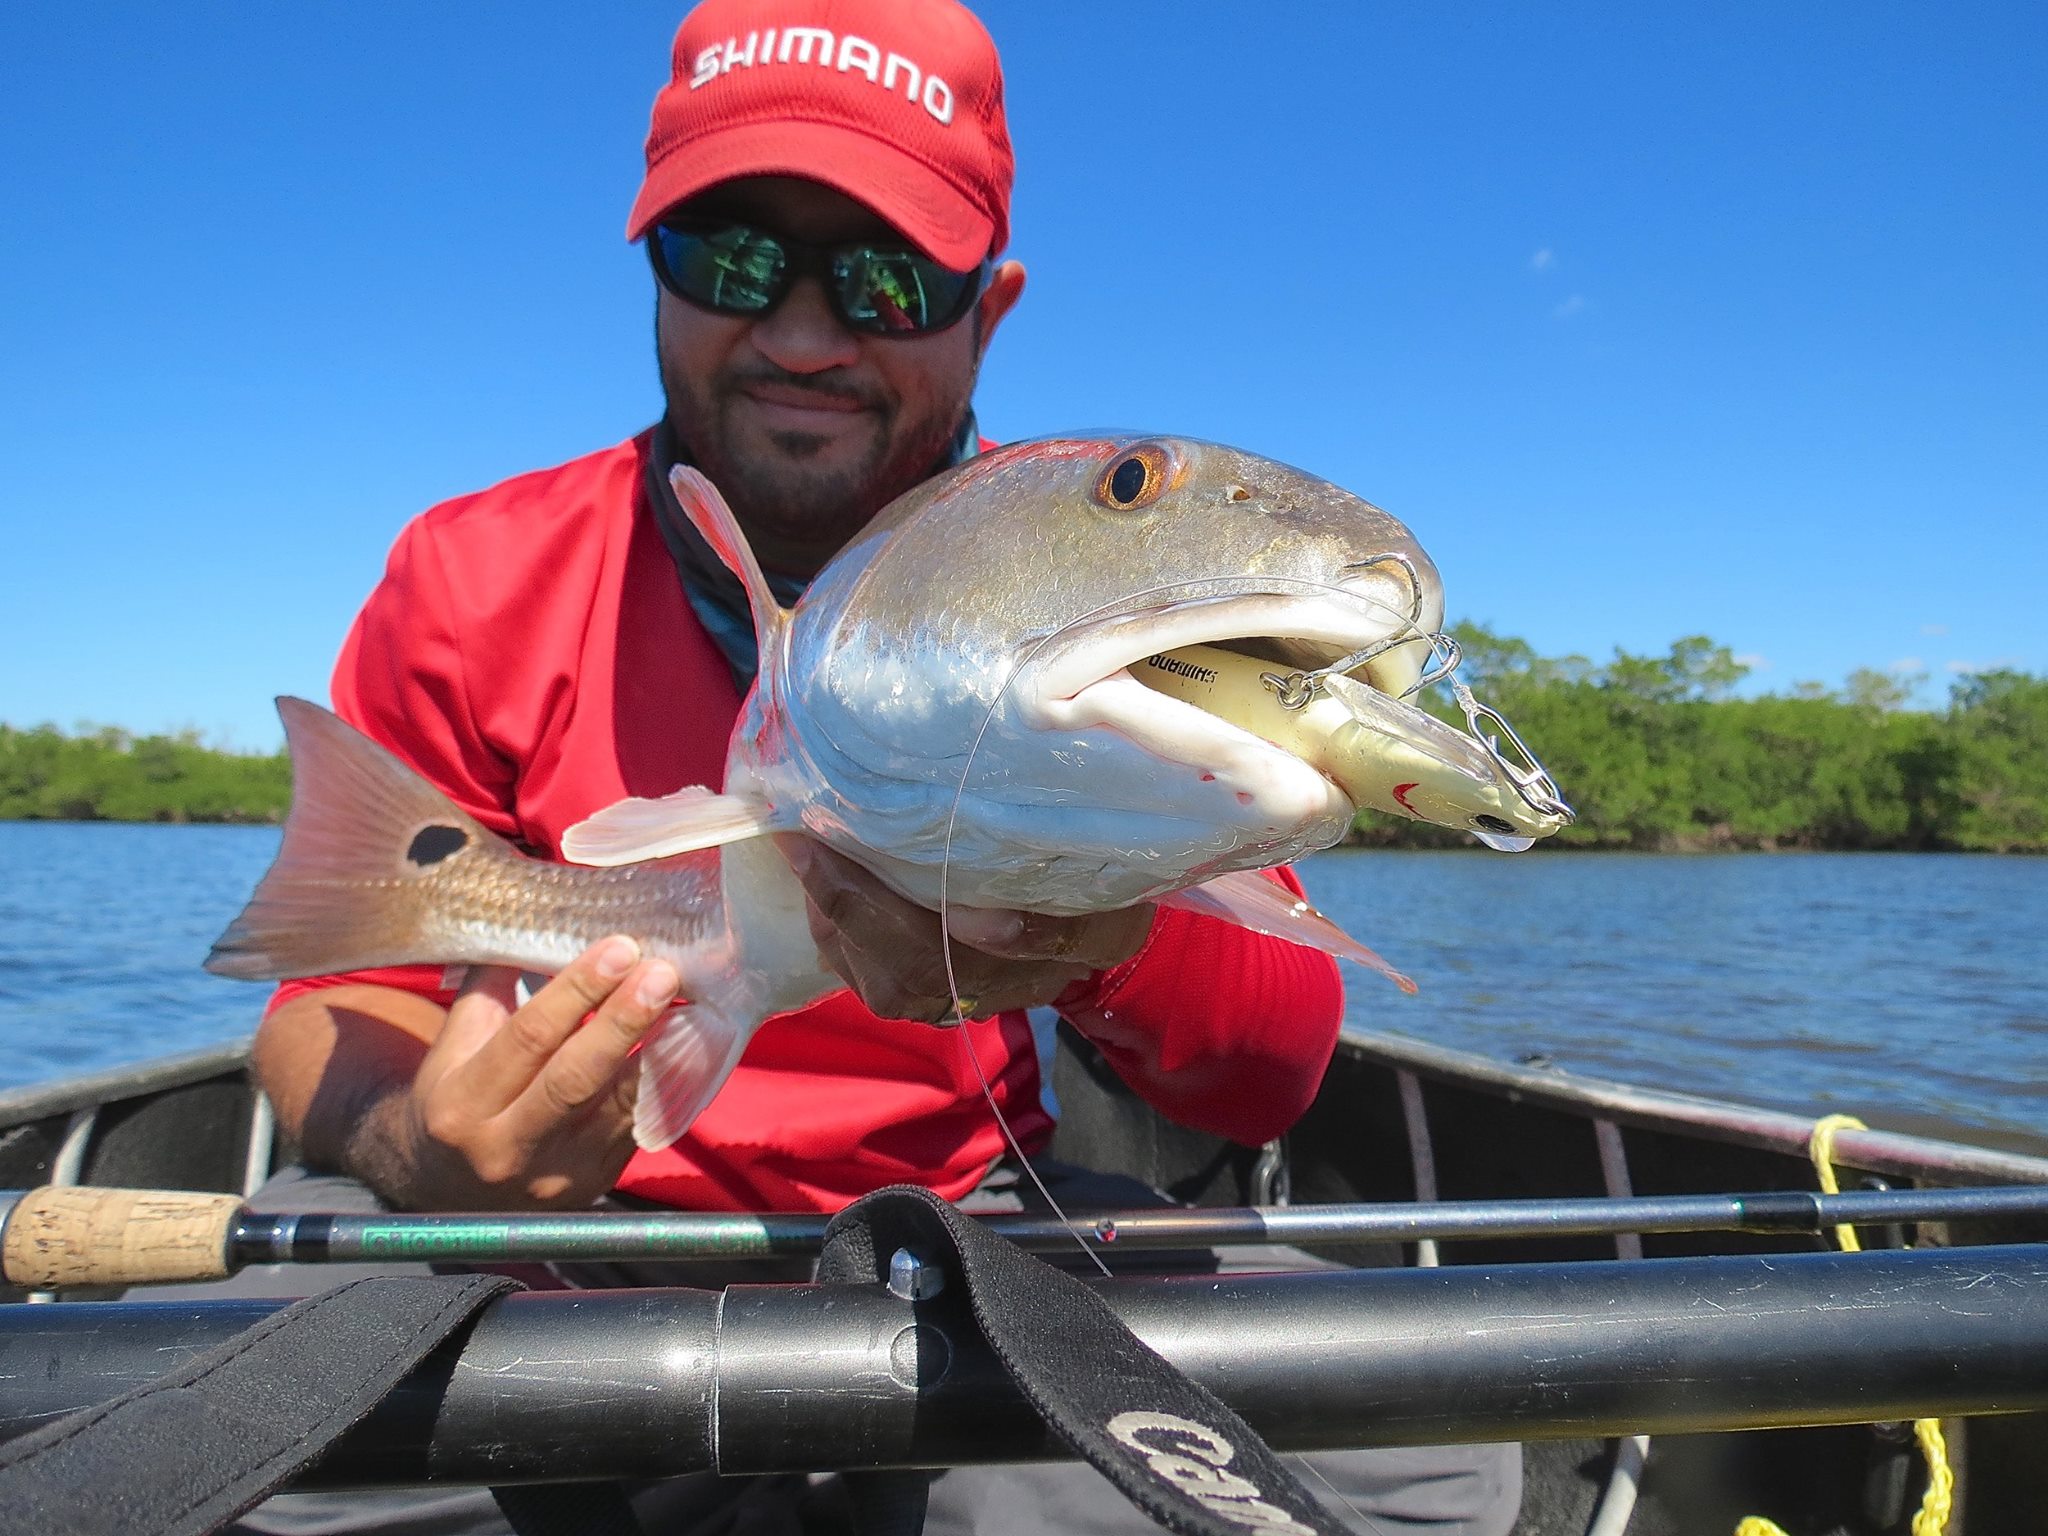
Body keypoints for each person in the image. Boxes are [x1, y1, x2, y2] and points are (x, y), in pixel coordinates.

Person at [227, 1, 1522, 1531]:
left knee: (1438, 1459)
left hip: (960, 1239)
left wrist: (1084, 946)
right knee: (190, 1426)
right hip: (559, 1255)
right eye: (733, 258)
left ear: (992, 307)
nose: (800, 335)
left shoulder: (1101, 605)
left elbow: (1272, 1067)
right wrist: (426, 1153)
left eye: (890, 277)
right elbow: (323, 1002)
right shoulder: (472, 572)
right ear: (648, 261)